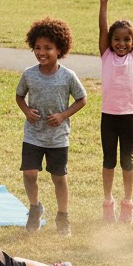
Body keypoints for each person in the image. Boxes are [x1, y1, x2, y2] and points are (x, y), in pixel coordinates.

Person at [15, 17, 87, 236]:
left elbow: (82, 99)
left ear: (60, 49)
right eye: (37, 47)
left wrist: (63, 115)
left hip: (57, 137)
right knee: (29, 174)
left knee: (58, 178)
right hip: (33, 135)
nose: (41, 52)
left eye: (48, 47)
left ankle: (63, 216)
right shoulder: (29, 74)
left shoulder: (68, 76)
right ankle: (35, 208)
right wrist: (27, 111)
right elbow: (19, 96)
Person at [97, 0, 133, 225]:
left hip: (129, 116)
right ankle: (108, 202)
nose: (121, 43)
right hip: (108, 116)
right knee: (109, 160)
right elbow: (102, 29)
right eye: (116, 39)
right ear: (110, 41)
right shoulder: (106, 55)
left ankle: (128, 203)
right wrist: (104, 3)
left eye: (126, 39)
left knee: (127, 160)